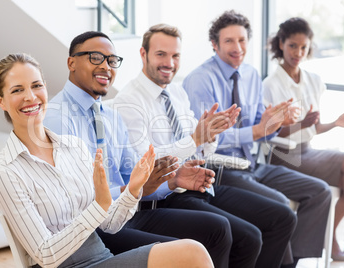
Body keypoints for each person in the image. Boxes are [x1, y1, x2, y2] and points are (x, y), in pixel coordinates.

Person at [0, 53, 213, 268]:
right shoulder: (6, 172)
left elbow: (110, 225)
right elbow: (46, 256)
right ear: (1, 101)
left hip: (102, 256)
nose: (30, 96)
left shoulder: (73, 147)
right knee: (192, 254)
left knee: (194, 252)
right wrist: (99, 207)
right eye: (18, 90)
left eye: (36, 85)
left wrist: (133, 189)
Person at [43, 31, 237, 268]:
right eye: (96, 57)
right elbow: (75, 200)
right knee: (186, 252)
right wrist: (133, 188)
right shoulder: (56, 118)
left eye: (112, 61)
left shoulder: (111, 117)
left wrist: (172, 181)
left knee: (217, 229)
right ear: (71, 62)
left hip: (129, 214)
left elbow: (135, 174)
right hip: (92, 229)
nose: (106, 66)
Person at [114, 23, 297, 268]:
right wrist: (194, 139)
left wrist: (210, 135)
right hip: (168, 195)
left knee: (282, 217)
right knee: (248, 237)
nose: (169, 62)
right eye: (161, 54)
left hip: (200, 184)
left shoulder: (177, 93)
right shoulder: (128, 102)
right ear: (143, 54)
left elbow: (200, 151)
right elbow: (146, 165)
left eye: (175, 55)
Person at [182, 10, 332, 268]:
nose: (237, 47)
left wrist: (275, 124)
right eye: (229, 41)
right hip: (219, 169)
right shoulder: (200, 80)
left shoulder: (251, 75)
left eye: (242, 40)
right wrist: (256, 131)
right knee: (280, 204)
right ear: (214, 44)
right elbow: (204, 138)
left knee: (320, 190)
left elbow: (260, 128)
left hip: (250, 163)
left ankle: (291, 261)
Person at [262, 17, 344, 265]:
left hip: (307, 151)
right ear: (281, 45)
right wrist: (302, 124)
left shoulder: (313, 81)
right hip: (284, 155)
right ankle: (343, 242)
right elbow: (270, 135)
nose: (298, 53)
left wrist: (334, 123)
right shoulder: (270, 84)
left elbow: (314, 127)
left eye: (303, 47)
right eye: (292, 46)